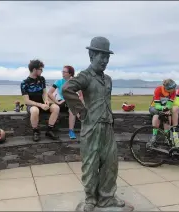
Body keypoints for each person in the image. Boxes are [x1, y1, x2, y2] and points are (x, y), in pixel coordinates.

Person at [62, 37, 130, 211]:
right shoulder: (85, 76)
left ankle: (107, 197)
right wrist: (80, 110)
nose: (105, 61)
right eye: (102, 56)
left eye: (107, 57)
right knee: (90, 164)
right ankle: (90, 198)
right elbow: (67, 89)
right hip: (92, 127)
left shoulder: (108, 79)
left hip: (107, 126)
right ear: (92, 55)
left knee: (110, 163)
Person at [21, 59, 60, 141]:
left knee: (56, 108)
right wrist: (40, 105)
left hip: (42, 103)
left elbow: (44, 93)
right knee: (35, 111)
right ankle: (35, 131)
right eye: (40, 69)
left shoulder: (42, 79)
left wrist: (46, 100)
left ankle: (49, 131)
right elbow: (27, 101)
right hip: (31, 105)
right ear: (34, 69)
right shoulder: (24, 83)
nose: (42, 71)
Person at [47, 65, 84, 139]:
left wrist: (80, 102)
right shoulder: (59, 82)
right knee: (73, 107)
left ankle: (71, 131)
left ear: (70, 73)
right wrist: (56, 102)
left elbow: (81, 95)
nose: (62, 73)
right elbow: (49, 93)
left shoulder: (74, 82)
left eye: (64, 72)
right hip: (62, 103)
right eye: (62, 71)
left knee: (72, 109)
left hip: (71, 104)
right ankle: (82, 119)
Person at [148, 79, 179, 147]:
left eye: (175, 88)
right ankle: (154, 136)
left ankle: (166, 136)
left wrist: (167, 108)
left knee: (167, 115)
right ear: (167, 88)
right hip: (154, 107)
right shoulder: (158, 90)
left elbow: (169, 104)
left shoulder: (173, 92)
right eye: (173, 88)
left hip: (164, 109)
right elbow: (157, 105)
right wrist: (163, 109)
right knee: (157, 115)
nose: (174, 90)